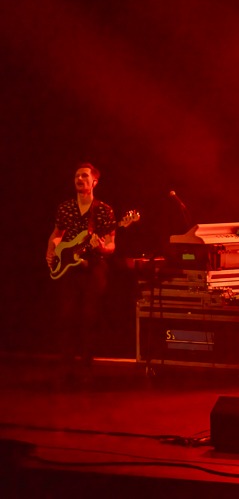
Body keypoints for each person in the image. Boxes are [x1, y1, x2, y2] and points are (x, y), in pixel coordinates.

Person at [45, 163, 116, 384]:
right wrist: (51, 249)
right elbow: (57, 234)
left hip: (94, 267)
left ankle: (86, 366)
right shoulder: (65, 208)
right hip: (70, 268)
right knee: (67, 317)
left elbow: (112, 244)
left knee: (89, 318)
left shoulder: (103, 210)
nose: (79, 179)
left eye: (84, 176)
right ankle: (66, 365)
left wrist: (103, 248)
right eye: (77, 176)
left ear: (94, 182)